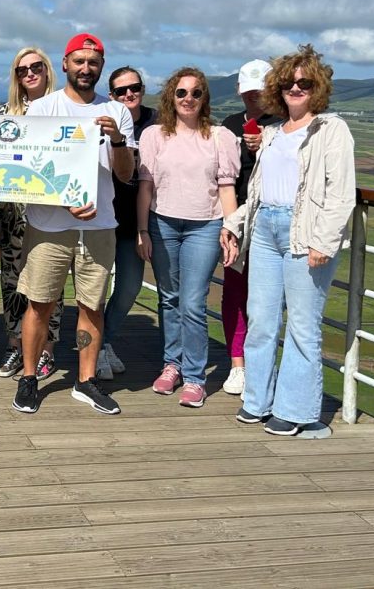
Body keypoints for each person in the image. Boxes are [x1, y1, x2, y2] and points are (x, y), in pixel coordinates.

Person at [221, 45, 356, 436]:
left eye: (305, 82)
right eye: (289, 83)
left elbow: (341, 194)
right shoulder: (273, 132)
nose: (296, 88)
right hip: (264, 229)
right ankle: (257, 401)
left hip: (305, 234)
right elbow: (261, 192)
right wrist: (234, 223)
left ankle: (296, 411)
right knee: (261, 318)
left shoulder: (332, 130)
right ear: (278, 89)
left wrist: (324, 242)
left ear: (318, 87)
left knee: (301, 325)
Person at [11, 34, 135, 416]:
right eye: (79, 61)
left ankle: (85, 381)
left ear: (101, 65)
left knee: (91, 305)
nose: (86, 68)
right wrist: (63, 198)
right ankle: (29, 378)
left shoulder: (118, 112)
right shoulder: (43, 108)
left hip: (99, 226)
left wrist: (116, 141)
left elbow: (126, 175)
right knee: (39, 304)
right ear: (64, 64)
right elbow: (29, 171)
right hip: (49, 225)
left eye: (93, 62)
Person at [137, 67, 240, 409]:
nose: (188, 99)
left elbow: (226, 186)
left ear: (204, 98)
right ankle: (172, 364)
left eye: (196, 93)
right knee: (169, 298)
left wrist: (231, 227)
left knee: (193, 302)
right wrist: (142, 230)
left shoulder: (220, 137)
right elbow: (146, 187)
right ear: (171, 97)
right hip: (162, 223)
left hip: (205, 226)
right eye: (181, 93)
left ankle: (195, 377)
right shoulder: (154, 136)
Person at [0, 47, 62, 380]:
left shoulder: (63, 109)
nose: (30, 73)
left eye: (37, 67)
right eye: (22, 70)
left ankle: (47, 349)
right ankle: (15, 344)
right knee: (11, 279)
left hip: (52, 213)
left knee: (50, 284)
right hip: (13, 213)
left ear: (48, 70)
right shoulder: (5, 113)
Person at [218, 58, 278, 396]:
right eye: (248, 92)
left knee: (267, 298)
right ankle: (237, 363)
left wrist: (265, 148)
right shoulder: (229, 125)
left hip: (272, 220)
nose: (253, 98)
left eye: (260, 91)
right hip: (236, 219)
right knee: (236, 293)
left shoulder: (286, 124)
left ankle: (261, 365)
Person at [98, 66, 158, 380]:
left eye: (134, 88)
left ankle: (104, 341)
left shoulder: (158, 122)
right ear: (112, 96)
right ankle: (97, 347)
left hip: (138, 223)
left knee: (128, 288)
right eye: (121, 91)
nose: (128, 95)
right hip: (104, 218)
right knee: (94, 288)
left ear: (142, 88)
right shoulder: (103, 120)